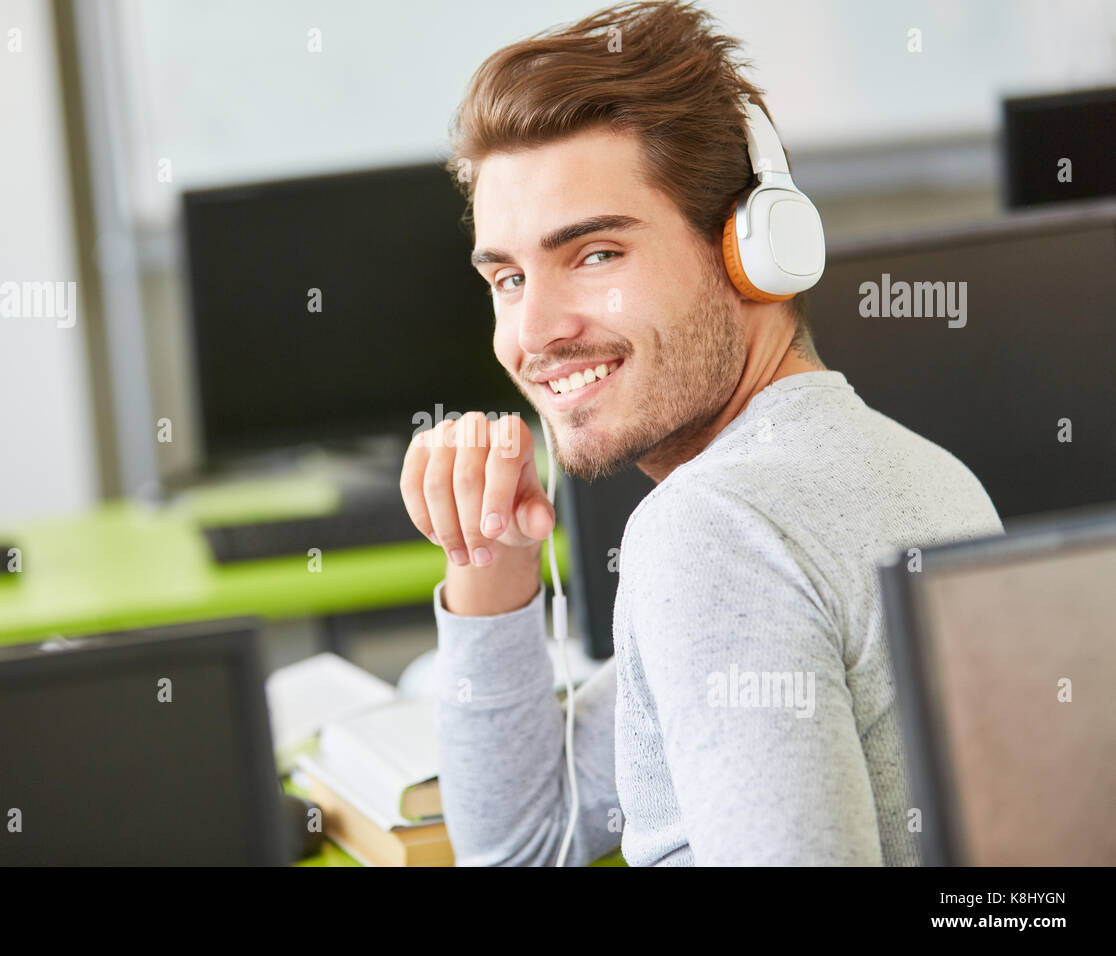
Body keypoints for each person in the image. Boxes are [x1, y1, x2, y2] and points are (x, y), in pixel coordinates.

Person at [398, 0, 1002, 865]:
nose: (533, 333)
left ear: (755, 250)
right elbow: (529, 836)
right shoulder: (928, 475)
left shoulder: (713, 532)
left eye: (596, 254)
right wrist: (487, 559)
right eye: (507, 277)